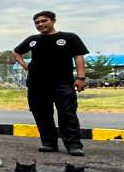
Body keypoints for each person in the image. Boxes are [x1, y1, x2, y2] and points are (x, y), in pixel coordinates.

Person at [12, 11, 88, 156]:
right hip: (37, 84)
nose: (40, 24)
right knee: (42, 114)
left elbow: (78, 56)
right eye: (37, 22)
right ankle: (48, 143)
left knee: (67, 114)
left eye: (44, 21)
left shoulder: (69, 37)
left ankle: (73, 145)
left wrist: (81, 77)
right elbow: (16, 52)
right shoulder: (33, 40)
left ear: (53, 21)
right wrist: (24, 65)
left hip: (63, 83)